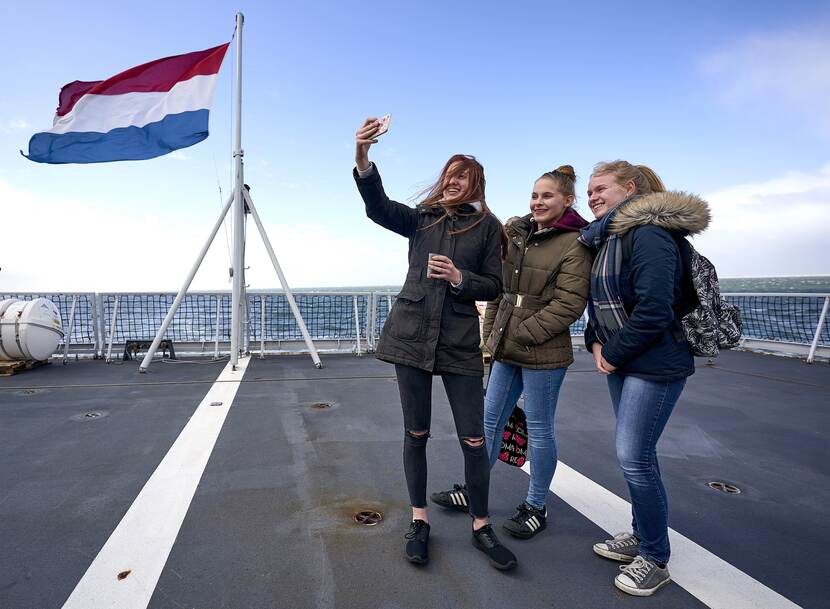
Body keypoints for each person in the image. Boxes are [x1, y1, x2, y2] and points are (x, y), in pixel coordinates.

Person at [352, 117, 517, 570]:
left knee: (474, 438)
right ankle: (419, 520)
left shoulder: (489, 226)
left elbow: (494, 286)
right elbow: (377, 207)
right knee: (416, 433)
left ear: (476, 184)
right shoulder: (423, 218)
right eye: (448, 174)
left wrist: (460, 277)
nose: (452, 181)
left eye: (462, 176)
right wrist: (363, 158)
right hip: (410, 337)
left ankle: (481, 525)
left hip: (459, 342)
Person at [431, 166, 593, 540]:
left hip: (543, 352)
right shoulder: (518, 235)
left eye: (547, 196)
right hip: (506, 346)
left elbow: (569, 303)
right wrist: (491, 339)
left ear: (567, 200)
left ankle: (537, 506)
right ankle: (473, 490)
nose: (538, 202)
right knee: (487, 423)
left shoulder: (576, 242)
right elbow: (499, 293)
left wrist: (520, 333)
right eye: (535, 195)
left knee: (540, 430)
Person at [579, 160, 709, 596]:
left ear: (630, 188)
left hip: (655, 363)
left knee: (634, 456)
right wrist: (595, 342)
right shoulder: (609, 237)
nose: (592, 197)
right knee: (637, 455)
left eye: (601, 188)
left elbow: (655, 308)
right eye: (589, 191)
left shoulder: (649, 233)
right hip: (627, 360)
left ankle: (655, 557)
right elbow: (600, 301)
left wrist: (613, 354)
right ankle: (641, 534)